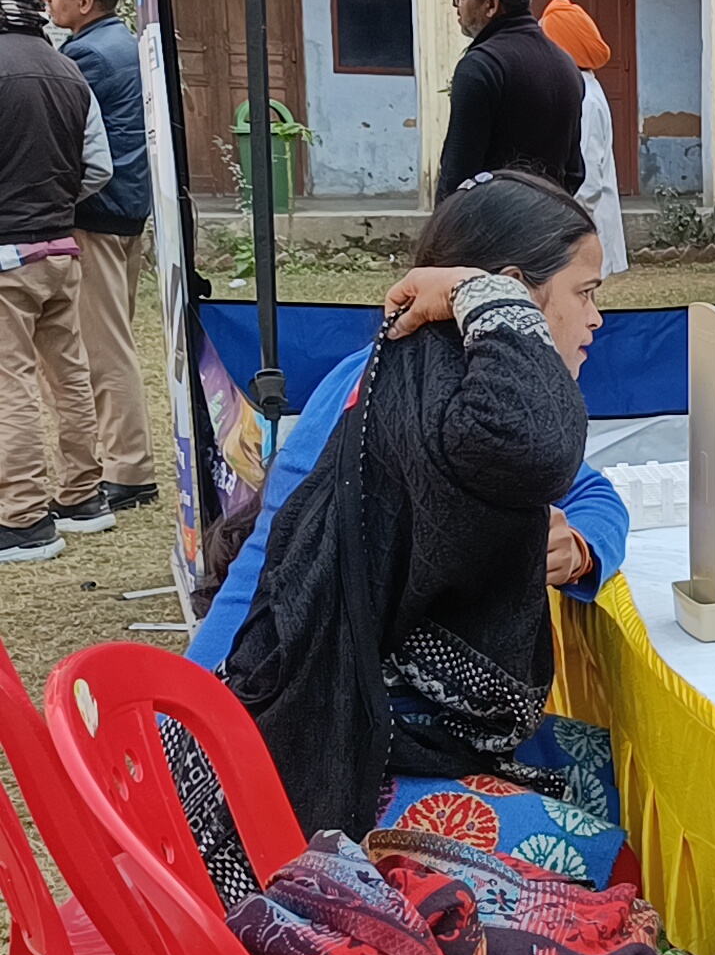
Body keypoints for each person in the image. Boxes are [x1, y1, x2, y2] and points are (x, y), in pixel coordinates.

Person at [174, 171, 633, 905]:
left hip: (353, 720)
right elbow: (544, 445)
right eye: (585, 293)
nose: (596, 318)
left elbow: (591, 490)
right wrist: (198, 717)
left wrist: (580, 546)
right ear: (511, 295)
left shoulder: (444, 389)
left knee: (593, 767)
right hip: (289, 747)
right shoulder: (407, 399)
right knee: (595, 850)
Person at [0, 0, 116, 564]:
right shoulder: (69, 70)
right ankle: (84, 498)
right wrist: (50, 202)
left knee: (9, 381)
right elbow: (98, 166)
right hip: (60, 249)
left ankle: (22, 519)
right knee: (68, 375)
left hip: (7, 255)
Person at [41, 0, 156, 510]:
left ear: (84, 2)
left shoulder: (86, 55)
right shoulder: (125, 45)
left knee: (105, 350)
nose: (47, 2)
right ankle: (123, 461)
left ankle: (129, 469)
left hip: (98, 212)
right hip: (126, 210)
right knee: (114, 339)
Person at [437, 0, 584, 202]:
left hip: (492, 220)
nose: (457, 7)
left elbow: (458, 178)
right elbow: (574, 172)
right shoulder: (566, 65)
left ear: (490, 5)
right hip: (551, 217)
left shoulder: (481, 67)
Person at [540, 0, 628, 278]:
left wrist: (567, 229)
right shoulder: (579, 88)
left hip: (580, 229)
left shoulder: (584, 98)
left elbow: (589, 182)